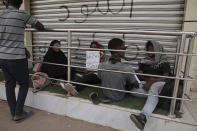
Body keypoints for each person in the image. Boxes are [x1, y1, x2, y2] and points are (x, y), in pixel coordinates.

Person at [0, 0, 44, 122]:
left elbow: (7, 37)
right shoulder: (21, 14)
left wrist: (23, 48)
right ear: (19, 3)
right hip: (16, 58)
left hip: (2, 57)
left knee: (9, 85)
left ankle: (14, 111)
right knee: (24, 83)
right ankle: (18, 113)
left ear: (7, 3)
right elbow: (40, 25)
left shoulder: (1, 15)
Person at [130, 40, 171, 130]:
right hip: (147, 84)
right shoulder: (144, 61)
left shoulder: (164, 62)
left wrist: (152, 81)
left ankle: (143, 117)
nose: (150, 51)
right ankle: (154, 98)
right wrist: (141, 76)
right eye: (148, 49)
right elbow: (141, 76)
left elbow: (165, 78)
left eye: (152, 48)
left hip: (160, 84)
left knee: (154, 87)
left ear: (158, 49)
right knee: (132, 90)